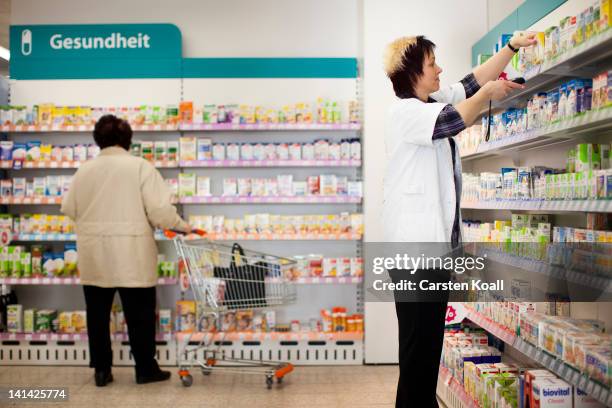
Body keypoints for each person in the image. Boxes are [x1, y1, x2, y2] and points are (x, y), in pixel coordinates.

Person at [382, 34, 536, 407]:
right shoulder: (405, 112)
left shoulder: (428, 101)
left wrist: (511, 48)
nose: (439, 69)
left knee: (425, 348)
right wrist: (487, 96)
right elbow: (455, 118)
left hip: (433, 252)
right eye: (432, 63)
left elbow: (471, 82)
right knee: (419, 350)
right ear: (413, 72)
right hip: (415, 253)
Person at [61, 114, 191, 387]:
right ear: (128, 140)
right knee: (140, 315)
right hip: (132, 250)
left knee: (97, 315)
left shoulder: (84, 170)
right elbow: (160, 212)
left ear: (98, 140)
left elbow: (69, 209)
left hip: (95, 251)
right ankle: (145, 368)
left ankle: (101, 370)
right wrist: (182, 226)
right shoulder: (140, 167)